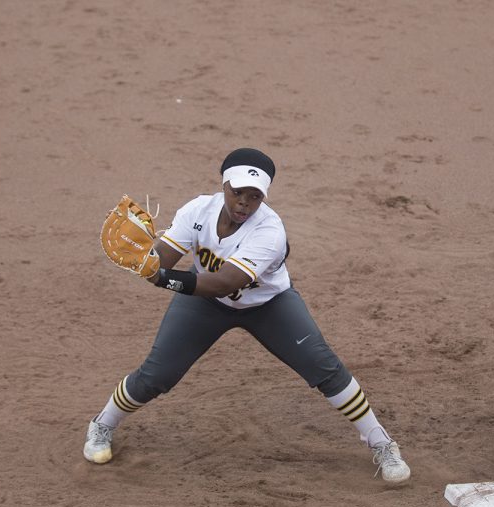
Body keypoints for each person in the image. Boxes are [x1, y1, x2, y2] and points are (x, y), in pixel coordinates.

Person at [83, 147, 411, 484]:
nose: (244, 203)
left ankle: (382, 443)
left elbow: (225, 282)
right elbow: (163, 259)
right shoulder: (198, 210)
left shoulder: (269, 231)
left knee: (323, 366)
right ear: (223, 185)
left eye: (254, 196)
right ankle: (102, 424)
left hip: (268, 305)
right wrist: (146, 258)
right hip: (204, 304)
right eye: (237, 192)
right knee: (157, 374)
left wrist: (160, 277)